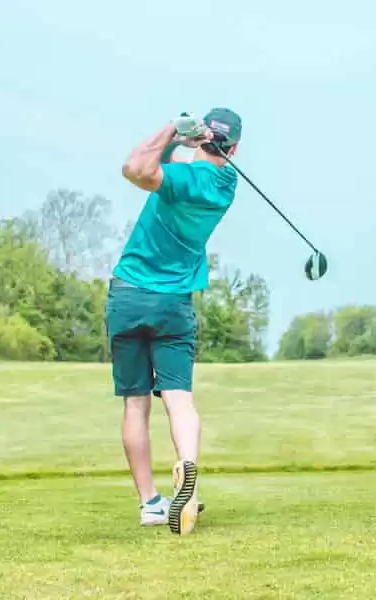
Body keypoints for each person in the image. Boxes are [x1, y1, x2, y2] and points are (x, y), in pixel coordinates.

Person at [110, 108, 243, 535]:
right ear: (234, 148)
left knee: (136, 403)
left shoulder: (182, 178)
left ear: (202, 137)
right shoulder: (226, 185)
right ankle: (188, 472)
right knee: (179, 398)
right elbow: (162, 169)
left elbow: (135, 167)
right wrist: (182, 145)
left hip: (129, 295)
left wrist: (172, 129)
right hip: (173, 305)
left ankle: (150, 503)